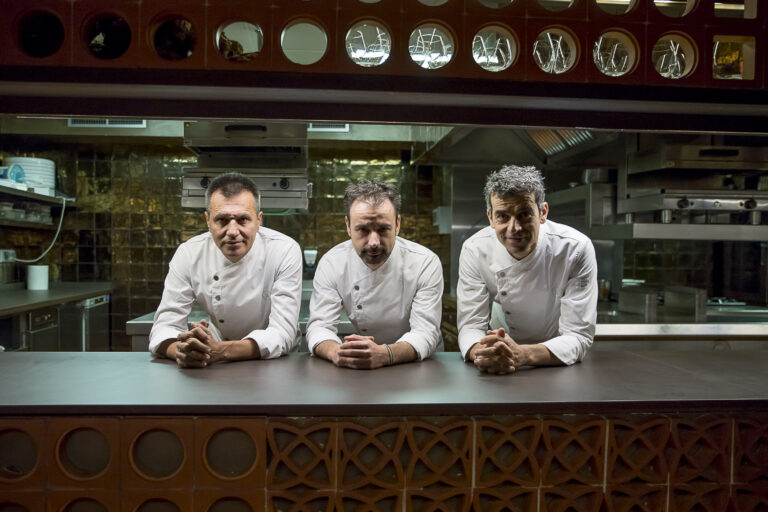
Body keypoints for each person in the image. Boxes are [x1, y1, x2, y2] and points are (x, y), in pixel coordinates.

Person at [149, 172, 302, 368]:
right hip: (214, 363)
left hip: (273, 362)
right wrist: (181, 350)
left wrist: (219, 350)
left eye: (243, 220)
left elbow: (282, 332)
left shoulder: (283, 250)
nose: (232, 231)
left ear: (258, 220)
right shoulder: (189, 253)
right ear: (208, 221)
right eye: (222, 220)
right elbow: (165, 326)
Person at [457, 165, 597, 374]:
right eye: (502, 216)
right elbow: (470, 325)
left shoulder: (575, 249)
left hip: (556, 358)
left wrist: (521, 354)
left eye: (524, 214)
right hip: (498, 357)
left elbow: (578, 335)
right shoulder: (475, 249)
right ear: (490, 218)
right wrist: (484, 353)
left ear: (543, 212)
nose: (514, 228)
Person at [306, 179, 443, 369]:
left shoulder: (424, 262)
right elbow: (319, 327)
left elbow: (425, 333)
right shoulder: (332, 263)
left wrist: (385, 354)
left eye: (383, 229)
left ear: (397, 224)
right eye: (363, 229)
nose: (373, 242)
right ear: (348, 226)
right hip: (361, 365)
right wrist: (337, 352)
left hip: (417, 363)